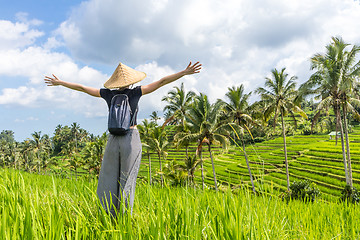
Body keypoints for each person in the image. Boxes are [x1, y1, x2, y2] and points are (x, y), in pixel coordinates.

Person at [44, 61, 202, 215]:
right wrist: (183, 73)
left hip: (112, 139)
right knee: (128, 178)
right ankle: (125, 215)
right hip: (130, 138)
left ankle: (106, 213)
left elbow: (82, 88)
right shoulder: (136, 92)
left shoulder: (108, 94)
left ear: (115, 82)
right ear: (131, 80)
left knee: (108, 177)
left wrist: (60, 82)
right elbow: (162, 82)